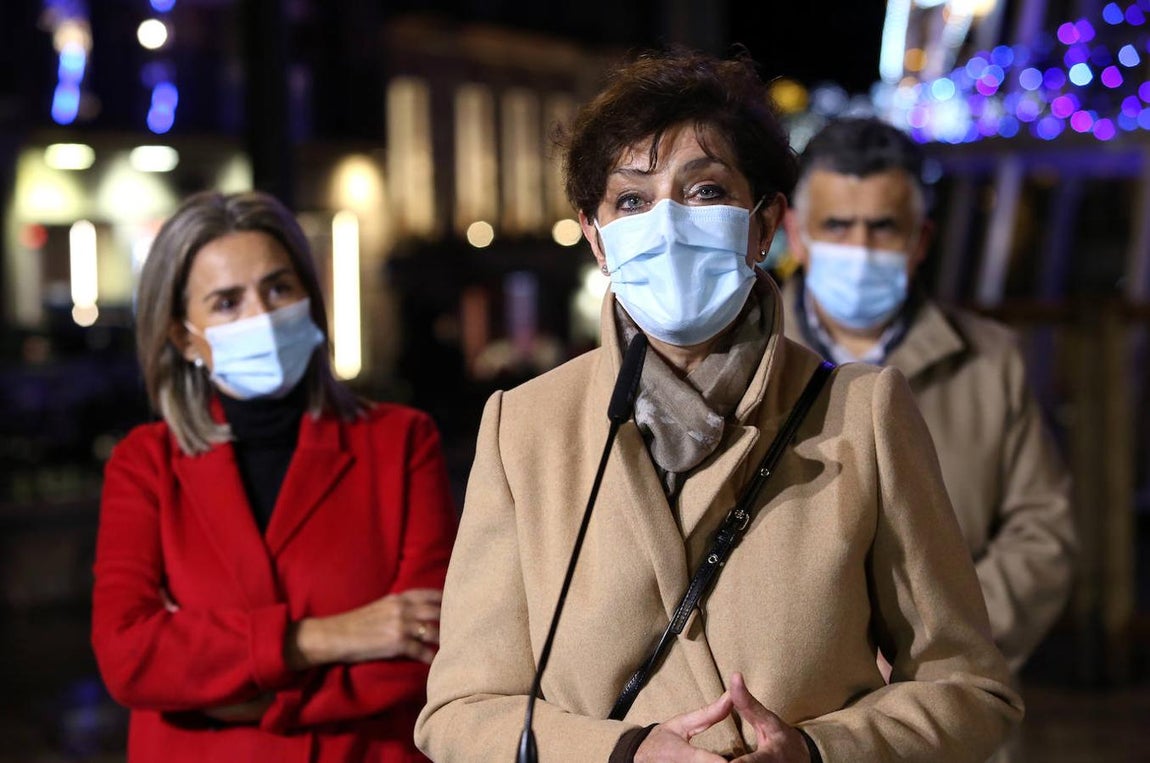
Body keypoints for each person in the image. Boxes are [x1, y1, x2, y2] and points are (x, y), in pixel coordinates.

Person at [414, 50, 1022, 763]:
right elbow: (459, 710)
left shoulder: (864, 411)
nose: (667, 224)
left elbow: (969, 689)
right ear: (596, 238)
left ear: (763, 226)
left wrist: (820, 751)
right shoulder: (524, 427)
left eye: (704, 191)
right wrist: (625, 754)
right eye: (633, 200)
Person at [90, 190, 458, 762]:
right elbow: (129, 656)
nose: (261, 315)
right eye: (227, 302)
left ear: (309, 298)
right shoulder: (146, 464)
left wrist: (256, 698)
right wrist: (324, 637)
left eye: (278, 287)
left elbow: (431, 647)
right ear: (184, 336)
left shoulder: (400, 441)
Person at [781, 117, 1077, 760]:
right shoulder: (745, 360)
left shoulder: (993, 360)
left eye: (883, 227)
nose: (859, 245)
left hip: (949, 724)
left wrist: (934, 647)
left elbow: (1042, 535)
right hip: (787, 725)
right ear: (797, 233)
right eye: (837, 225)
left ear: (920, 241)